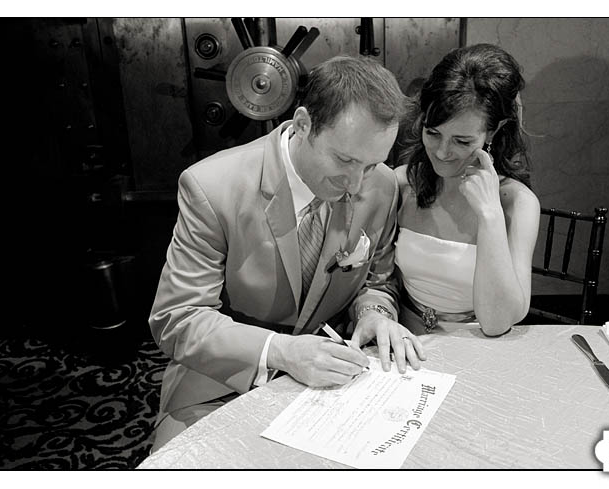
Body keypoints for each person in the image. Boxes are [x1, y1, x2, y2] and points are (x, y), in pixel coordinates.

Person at [149, 55, 426, 452]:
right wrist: (282, 351)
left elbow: (377, 281)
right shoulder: (211, 187)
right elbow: (177, 319)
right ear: (303, 125)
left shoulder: (380, 186)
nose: (355, 184)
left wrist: (374, 314)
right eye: (345, 160)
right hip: (221, 383)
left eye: (372, 164)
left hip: (335, 381)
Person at [393, 43, 540, 337]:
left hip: (476, 346)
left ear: (493, 131)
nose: (443, 153)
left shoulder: (517, 202)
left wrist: (490, 217)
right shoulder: (403, 182)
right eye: (433, 133)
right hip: (403, 341)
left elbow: (498, 322)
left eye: (462, 141)